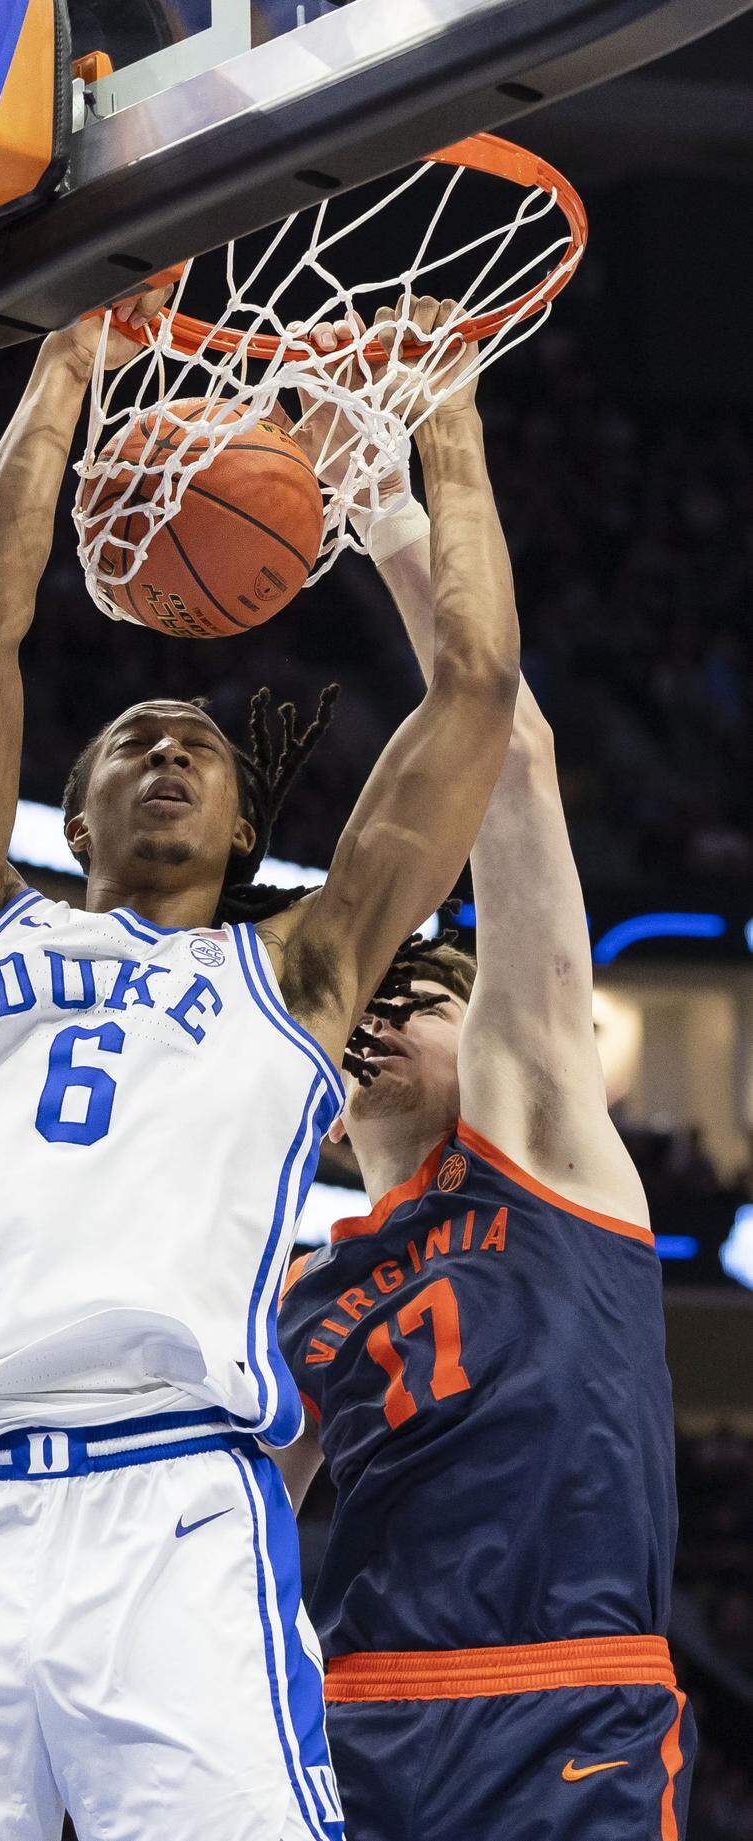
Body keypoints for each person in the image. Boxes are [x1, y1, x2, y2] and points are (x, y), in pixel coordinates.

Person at [0, 286, 519, 1840]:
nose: (173, 749)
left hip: (175, 1504)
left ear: (237, 822)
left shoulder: (298, 974)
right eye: (135, 737)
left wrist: (447, 427)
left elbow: (470, 692)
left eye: (199, 744)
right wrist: (68, 359)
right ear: (73, 818)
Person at [276, 474, 694, 1838]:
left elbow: (512, 759)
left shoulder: (546, 1149)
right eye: (369, 995)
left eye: (427, 991)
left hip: (561, 1705)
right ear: (328, 1103)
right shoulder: (297, 1295)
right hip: (351, 1720)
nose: (385, 1006)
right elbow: (161, 1534)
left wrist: (394, 509)